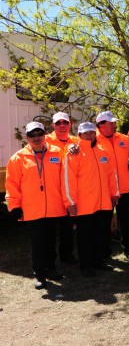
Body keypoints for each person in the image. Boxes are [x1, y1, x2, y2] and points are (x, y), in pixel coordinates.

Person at [5, 122, 67, 289]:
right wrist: (14, 206)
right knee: (39, 242)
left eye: (39, 133)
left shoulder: (57, 153)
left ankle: (51, 269)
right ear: (27, 138)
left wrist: (68, 201)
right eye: (33, 135)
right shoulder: (18, 158)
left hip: (54, 206)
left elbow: (65, 180)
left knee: (51, 240)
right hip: (33, 208)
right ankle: (39, 273)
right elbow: (12, 185)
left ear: (45, 134)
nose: (37, 137)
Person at [62, 122, 119, 276]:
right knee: (84, 237)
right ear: (79, 135)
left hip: (103, 203)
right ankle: (86, 266)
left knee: (100, 234)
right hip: (84, 205)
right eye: (86, 133)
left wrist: (115, 193)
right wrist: (70, 202)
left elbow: (111, 174)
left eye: (92, 132)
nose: (89, 135)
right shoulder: (74, 153)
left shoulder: (102, 150)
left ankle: (98, 261)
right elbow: (68, 180)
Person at [96, 110, 129, 258]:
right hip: (105, 190)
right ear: (100, 125)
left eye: (114, 122)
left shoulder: (123, 138)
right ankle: (105, 252)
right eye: (111, 123)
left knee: (126, 221)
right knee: (104, 223)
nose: (114, 125)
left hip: (124, 188)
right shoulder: (94, 141)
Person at [45, 111, 79, 264]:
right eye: (58, 123)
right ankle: (49, 261)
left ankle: (67, 255)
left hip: (69, 193)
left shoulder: (76, 141)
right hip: (51, 193)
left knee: (67, 227)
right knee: (50, 231)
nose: (62, 126)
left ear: (70, 124)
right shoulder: (45, 141)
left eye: (65, 122)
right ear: (53, 125)